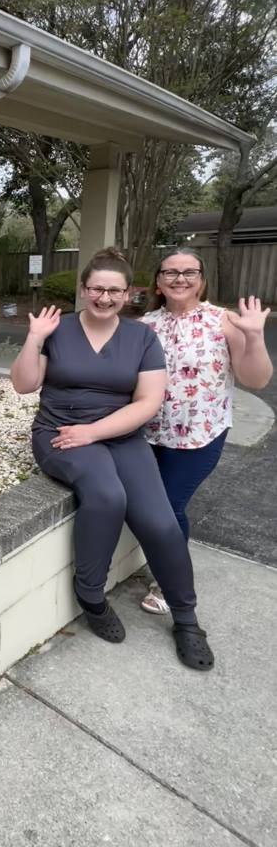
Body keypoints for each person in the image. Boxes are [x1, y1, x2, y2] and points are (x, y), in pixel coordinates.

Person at [9, 246, 214, 670]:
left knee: (159, 521)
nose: (104, 298)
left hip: (120, 435)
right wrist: (33, 338)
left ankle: (187, 620)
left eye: (114, 291)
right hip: (61, 433)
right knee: (106, 496)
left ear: (129, 294)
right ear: (84, 290)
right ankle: (91, 594)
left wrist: (97, 430)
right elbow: (24, 385)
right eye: (96, 289)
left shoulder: (142, 337)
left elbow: (148, 401)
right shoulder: (58, 330)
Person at [138, 248, 272, 614]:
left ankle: (171, 583)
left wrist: (255, 336)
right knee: (157, 508)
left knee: (168, 506)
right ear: (159, 282)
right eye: (170, 272)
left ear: (201, 279)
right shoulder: (144, 325)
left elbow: (255, 379)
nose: (180, 278)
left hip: (199, 436)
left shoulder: (224, 320)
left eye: (189, 272)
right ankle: (167, 568)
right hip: (147, 435)